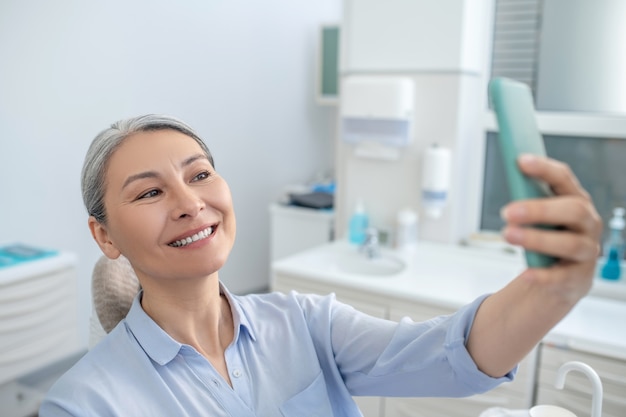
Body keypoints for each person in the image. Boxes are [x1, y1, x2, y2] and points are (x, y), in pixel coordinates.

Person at [39, 114, 602, 416]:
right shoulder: (85, 403)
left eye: (200, 174)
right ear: (104, 236)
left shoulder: (305, 322)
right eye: (148, 194)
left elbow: (451, 356)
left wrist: (553, 287)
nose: (190, 203)